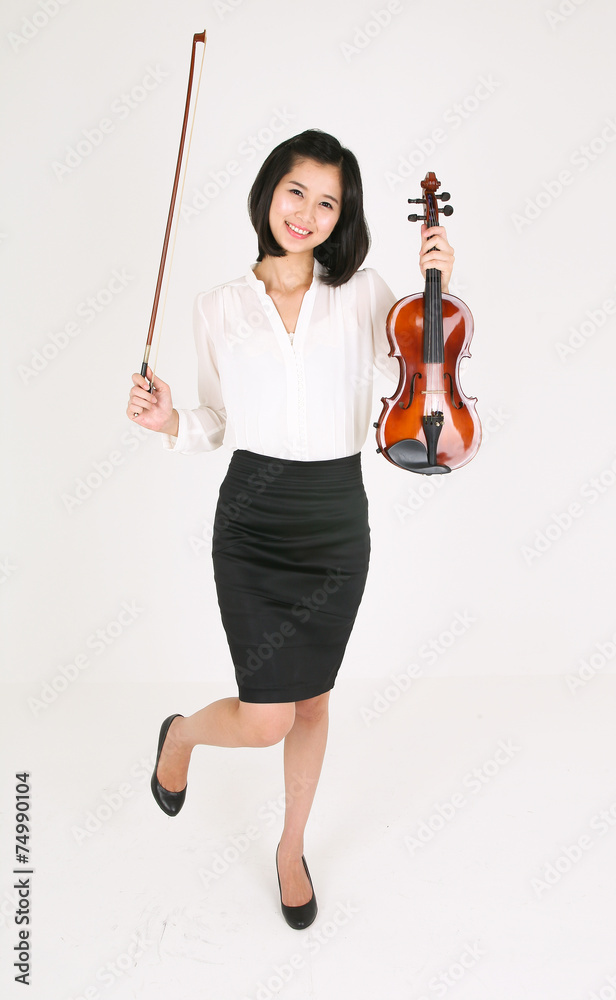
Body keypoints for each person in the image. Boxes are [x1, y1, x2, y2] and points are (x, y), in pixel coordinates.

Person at [126, 129, 454, 929]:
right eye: (295, 191)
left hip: (336, 518)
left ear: (344, 216)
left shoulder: (367, 294)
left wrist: (435, 290)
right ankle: (182, 737)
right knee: (264, 717)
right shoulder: (218, 306)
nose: (306, 212)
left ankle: (290, 847)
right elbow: (215, 419)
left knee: (310, 703)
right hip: (253, 521)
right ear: (269, 192)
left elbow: (415, 380)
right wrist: (170, 420)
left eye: (327, 202)